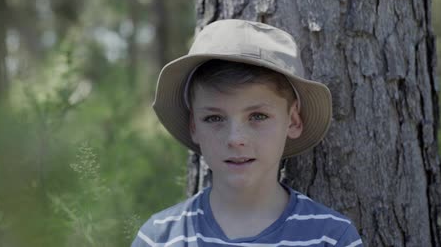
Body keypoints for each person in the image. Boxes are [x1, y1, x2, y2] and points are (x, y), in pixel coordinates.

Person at [131, 19, 363, 246]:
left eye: (258, 116)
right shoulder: (160, 238)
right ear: (194, 126)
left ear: (292, 121)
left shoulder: (331, 237)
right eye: (214, 118)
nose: (236, 139)